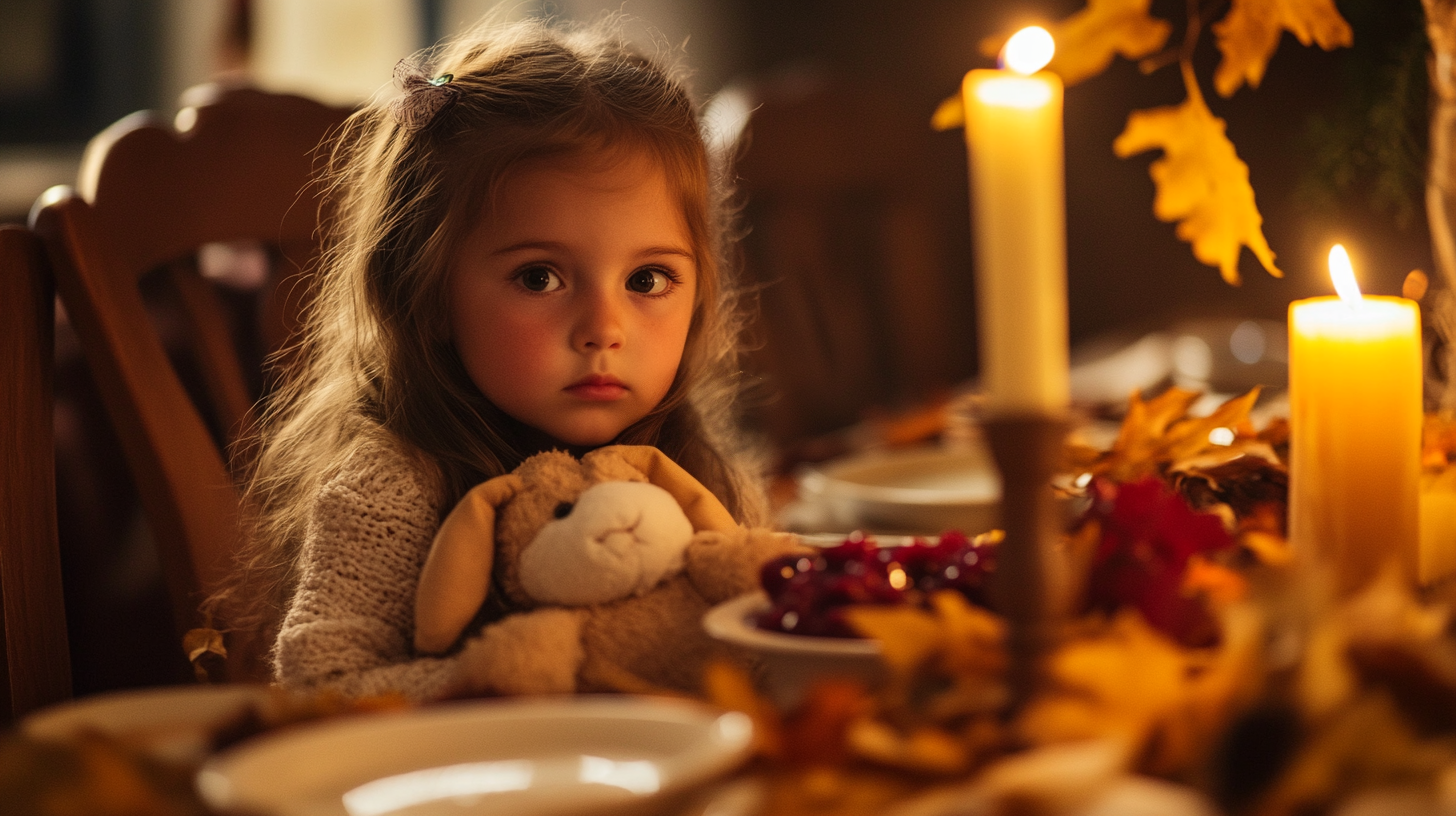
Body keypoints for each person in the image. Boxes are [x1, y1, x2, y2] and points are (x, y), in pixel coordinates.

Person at [224, 16, 767, 701]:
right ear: (427, 297)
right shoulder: (393, 484)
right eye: (540, 278)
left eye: (647, 280)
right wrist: (555, 677)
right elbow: (322, 689)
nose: (604, 329)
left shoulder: (693, 460)